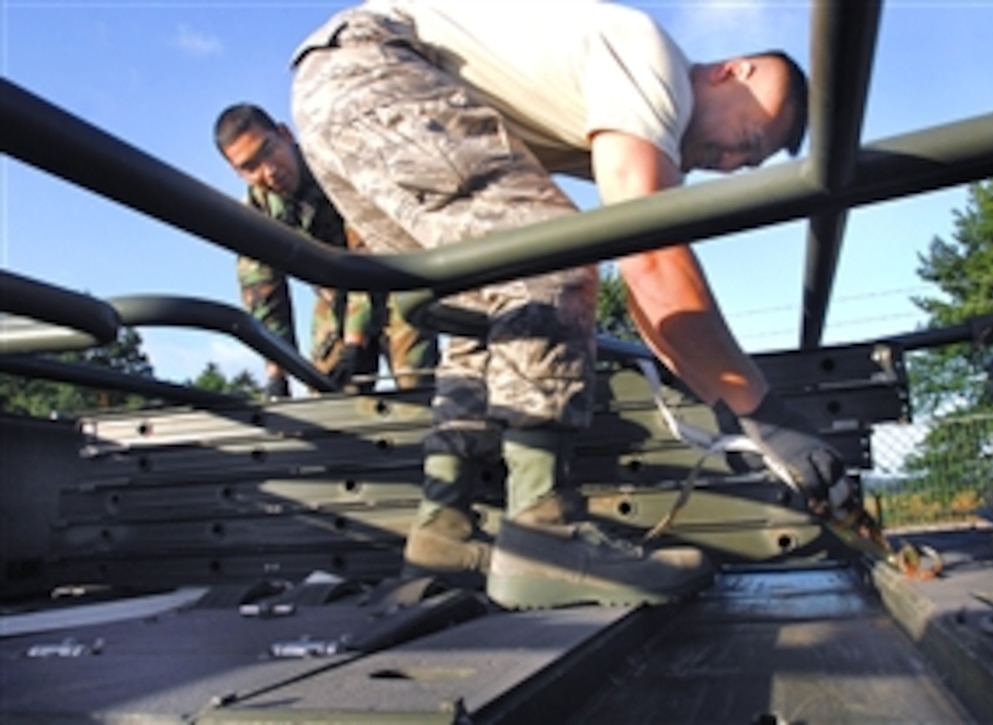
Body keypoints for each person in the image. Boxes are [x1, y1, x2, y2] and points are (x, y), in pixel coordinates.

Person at [288, 1, 852, 609]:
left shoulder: (634, 103)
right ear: (732, 72)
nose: (733, 163)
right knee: (558, 256)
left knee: (490, 303)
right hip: (378, 72)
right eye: (747, 138)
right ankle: (544, 531)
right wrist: (765, 414)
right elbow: (649, 259)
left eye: (750, 162)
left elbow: (649, 299)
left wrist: (730, 410)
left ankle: (442, 530)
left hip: (339, 90)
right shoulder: (652, 62)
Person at [214, 103, 439, 398]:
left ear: (285, 134)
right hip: (336, 294)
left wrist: (355, 340)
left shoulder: (334, 165)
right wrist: (277, 374)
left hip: (392, 274)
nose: (268, 171)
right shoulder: (258, 210)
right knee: (326, 392)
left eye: (268, 150)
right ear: (237, 172)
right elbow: (263, 293)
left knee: (416, 381)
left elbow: (365, 249)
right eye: (250, 166)